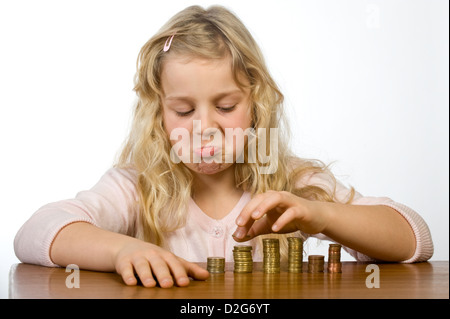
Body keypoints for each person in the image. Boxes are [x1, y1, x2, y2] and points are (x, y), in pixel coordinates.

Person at [14, 5, 433, 288]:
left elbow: (414, 239)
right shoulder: (136, 187)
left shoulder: (292, 182)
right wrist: (122, 247)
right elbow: (34, 233)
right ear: (158, 114)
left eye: (226, 106)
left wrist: (321, 214)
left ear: (256, 104)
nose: (205, 129)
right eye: (182, 111)